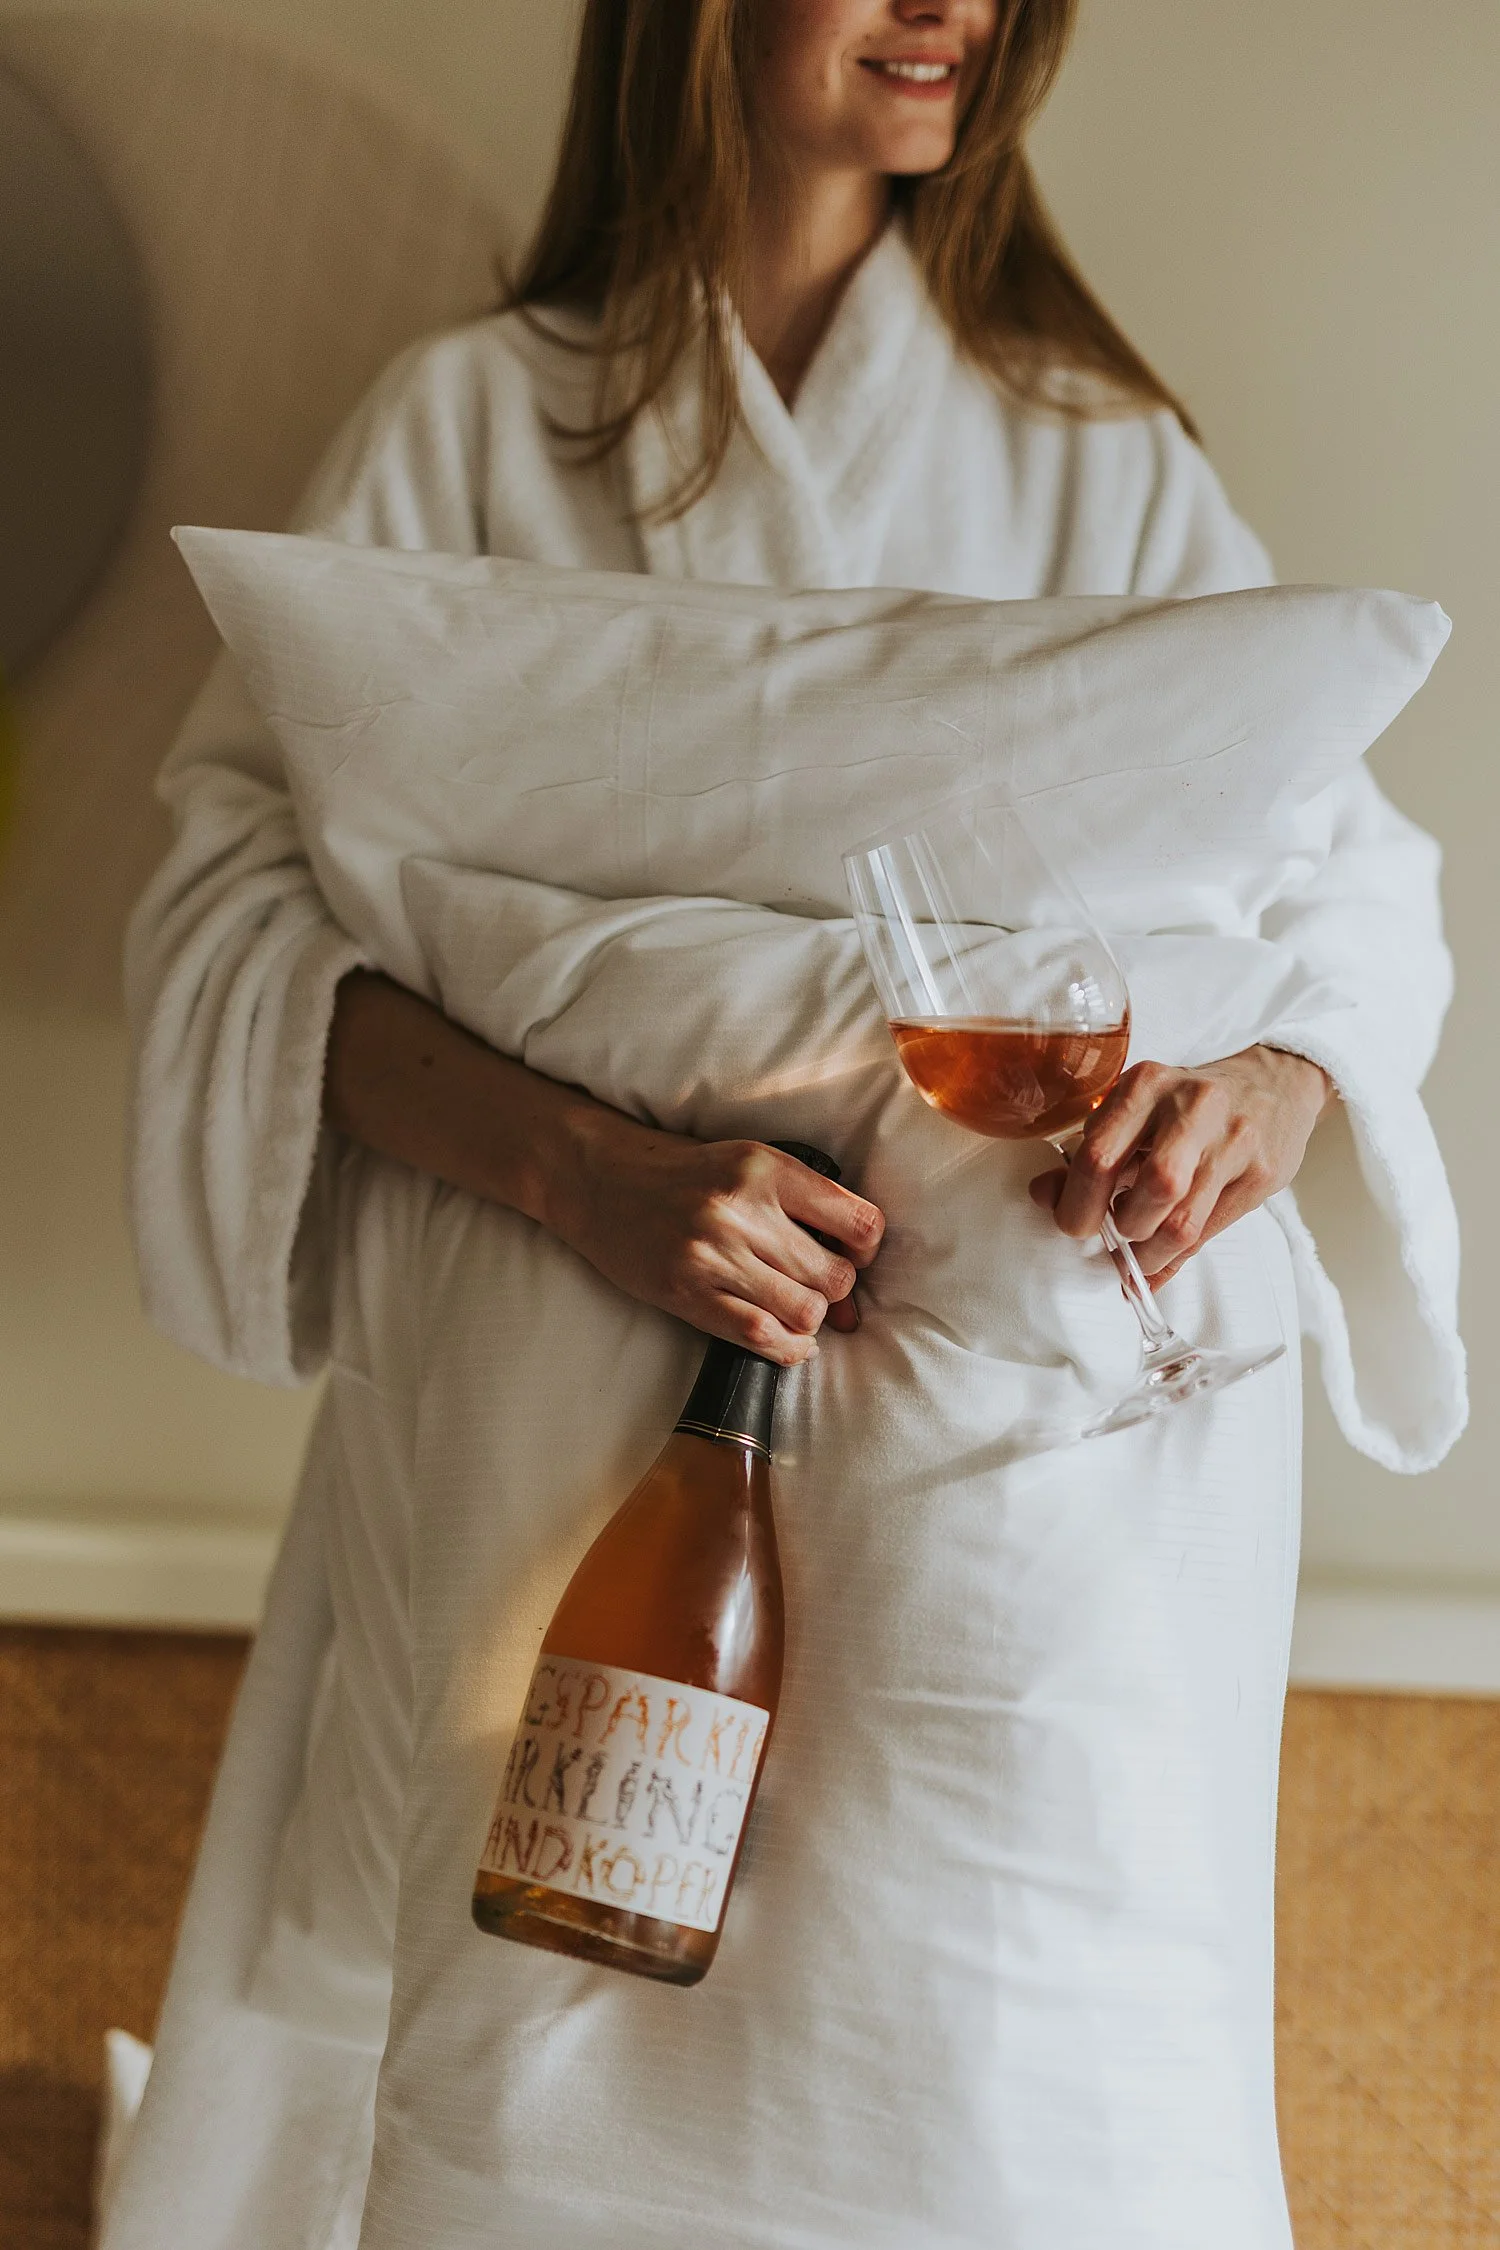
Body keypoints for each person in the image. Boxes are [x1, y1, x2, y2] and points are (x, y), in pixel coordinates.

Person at [113, 5, 1458, 2248]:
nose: (951, 11)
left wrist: (1273, 1088)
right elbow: (235, 943)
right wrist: (589, 1171)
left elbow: (1353, 895)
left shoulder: (1097, 461)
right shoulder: (467, 431)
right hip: (546, 1459)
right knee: (533, 2107)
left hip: (1005, 1551)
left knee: (982, 2104)